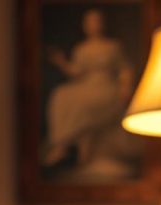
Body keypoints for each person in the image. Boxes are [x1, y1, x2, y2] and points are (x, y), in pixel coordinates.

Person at [43, 9, 133, 170]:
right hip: (87, 85)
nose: (94, 25)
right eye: (90, 22)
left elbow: (125, 69)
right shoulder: (81, 49)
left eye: (97, 21)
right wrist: (60, 61)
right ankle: (61, 144)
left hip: (106, 87)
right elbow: (76, 72)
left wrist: (125, 88)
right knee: (61, 95)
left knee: (86, 103)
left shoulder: (112, 46)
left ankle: (79, 150)